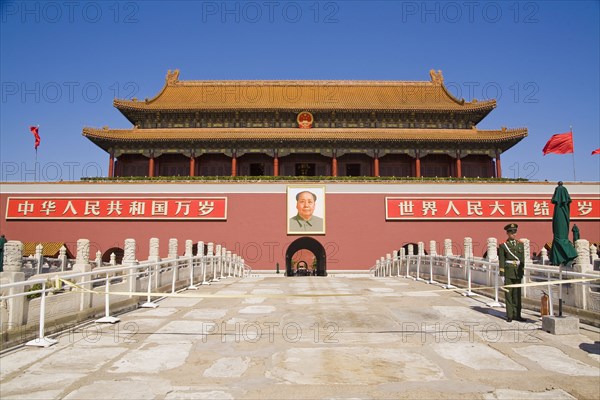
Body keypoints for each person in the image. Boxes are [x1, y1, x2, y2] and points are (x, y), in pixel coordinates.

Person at [498, 223, 526, 322]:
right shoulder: (503, 246)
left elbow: (522, 259)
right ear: (508, 233)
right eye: (512, 232)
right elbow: (501, 260)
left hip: (517, 272)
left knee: (517, 294)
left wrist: (522, 271)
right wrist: (502, 273)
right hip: (508, 272)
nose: (514, 234)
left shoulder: (520, 245)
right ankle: (510, 315)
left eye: (515, 232)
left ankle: (517, 314)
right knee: (508, 294)